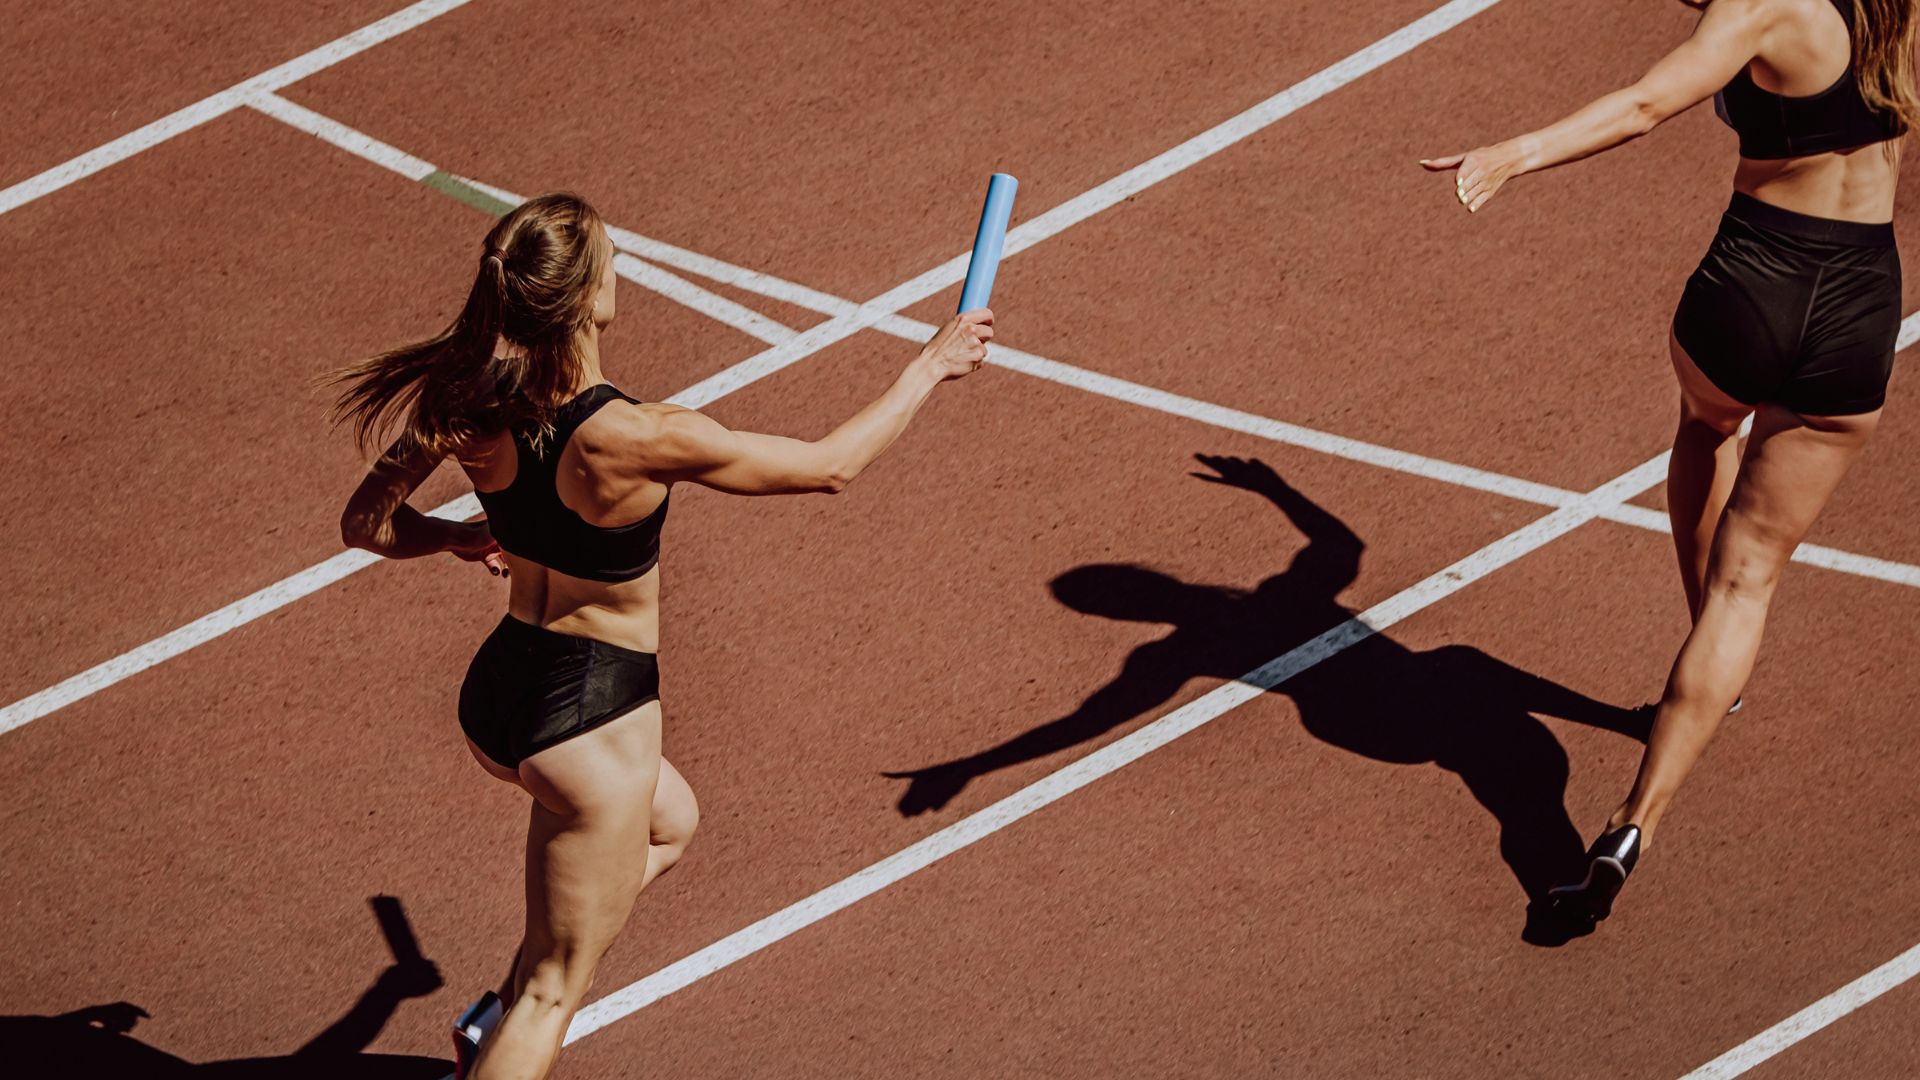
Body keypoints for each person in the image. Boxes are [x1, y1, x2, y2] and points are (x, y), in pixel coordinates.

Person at [333, 192, 992, 1078]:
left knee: (672, 823)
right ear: (585, 297)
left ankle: (496, 1015)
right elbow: (831, 467)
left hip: (501, 693)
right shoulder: (638, 437)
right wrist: (930, 366)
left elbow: (365, 524)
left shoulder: (469, 402)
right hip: (592, 719)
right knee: (555, 993)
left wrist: (452, 534)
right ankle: (510, 1025)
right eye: (609, 256)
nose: (618, 266)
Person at [1423, 0, 1913, 923]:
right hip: (1859, 308)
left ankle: (1699, 647)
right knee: (1751, 583)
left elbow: (1648, 104)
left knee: (1704, 428)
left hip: (1753, 285)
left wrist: (1512, 154)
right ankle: (1632, 820)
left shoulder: (1767, 6)